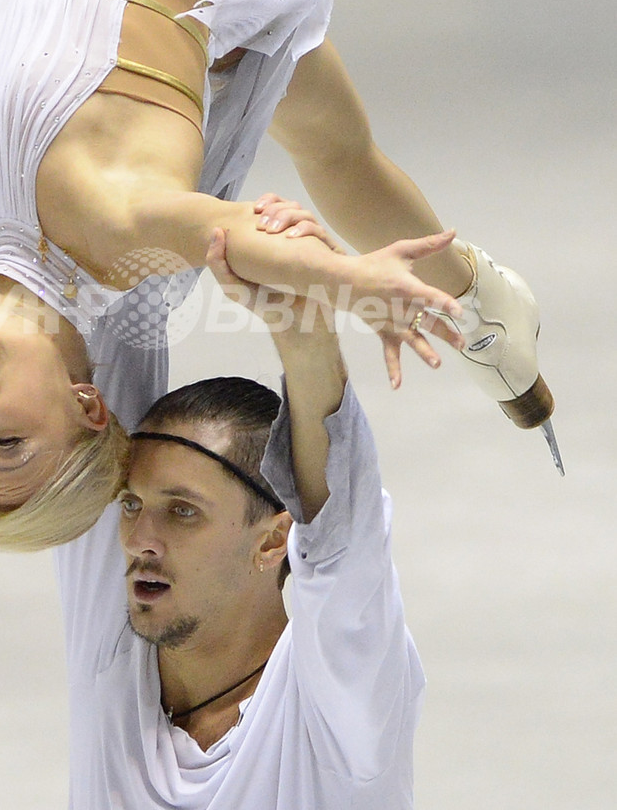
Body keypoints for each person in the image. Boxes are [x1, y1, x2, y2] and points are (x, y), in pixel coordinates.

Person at [0, 0, 556, 549]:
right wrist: (356, 285)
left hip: (216, 13)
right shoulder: (110, 229)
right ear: (89, 407)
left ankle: (482, 311)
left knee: (340, 156)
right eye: (8, 445)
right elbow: (238, 236)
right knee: (337, 155)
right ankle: (472, 315)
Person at [54, 227, 424, 808]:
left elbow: (342, 536)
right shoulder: (114, 634)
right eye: (132, 504)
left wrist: (302, 330)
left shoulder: (337, 704)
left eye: (183, 511)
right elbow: (102, 320)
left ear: (273, 539)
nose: (140, 540)